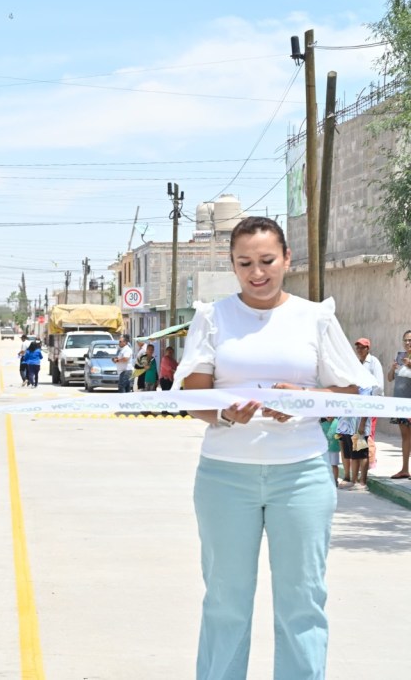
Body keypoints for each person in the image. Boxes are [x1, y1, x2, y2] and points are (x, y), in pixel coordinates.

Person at [175, 217, 370, 679]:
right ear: (232, 265)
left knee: (303, 600)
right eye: (244, 263)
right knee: (225, 600)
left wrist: (304, 399)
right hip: (225, 477)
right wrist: (225, 414)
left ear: (286, 259)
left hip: (301, 475)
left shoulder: (315, 317)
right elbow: (191, 395)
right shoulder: (213, 317)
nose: (257, 272)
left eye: (266, 260)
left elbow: (350, 392)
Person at [353, 338, 383, 472]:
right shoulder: (356, 363)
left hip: (371, 404)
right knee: (359, 433)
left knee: (368, 433)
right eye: (358, 347)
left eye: (362, 347)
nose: (360, 350)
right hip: (359, 404)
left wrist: (369, 400)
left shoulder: (374, 362)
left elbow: (379, 385)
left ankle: (370, 460)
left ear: (368, 348)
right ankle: (361, 461)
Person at [387, 329, 411, 480]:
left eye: (410, 340)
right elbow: (390, 378)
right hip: (399, 404)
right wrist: (392, 368)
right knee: (405, 437)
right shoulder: (401, 357)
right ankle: (404, 469)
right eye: (405, 340)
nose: (407, 343)